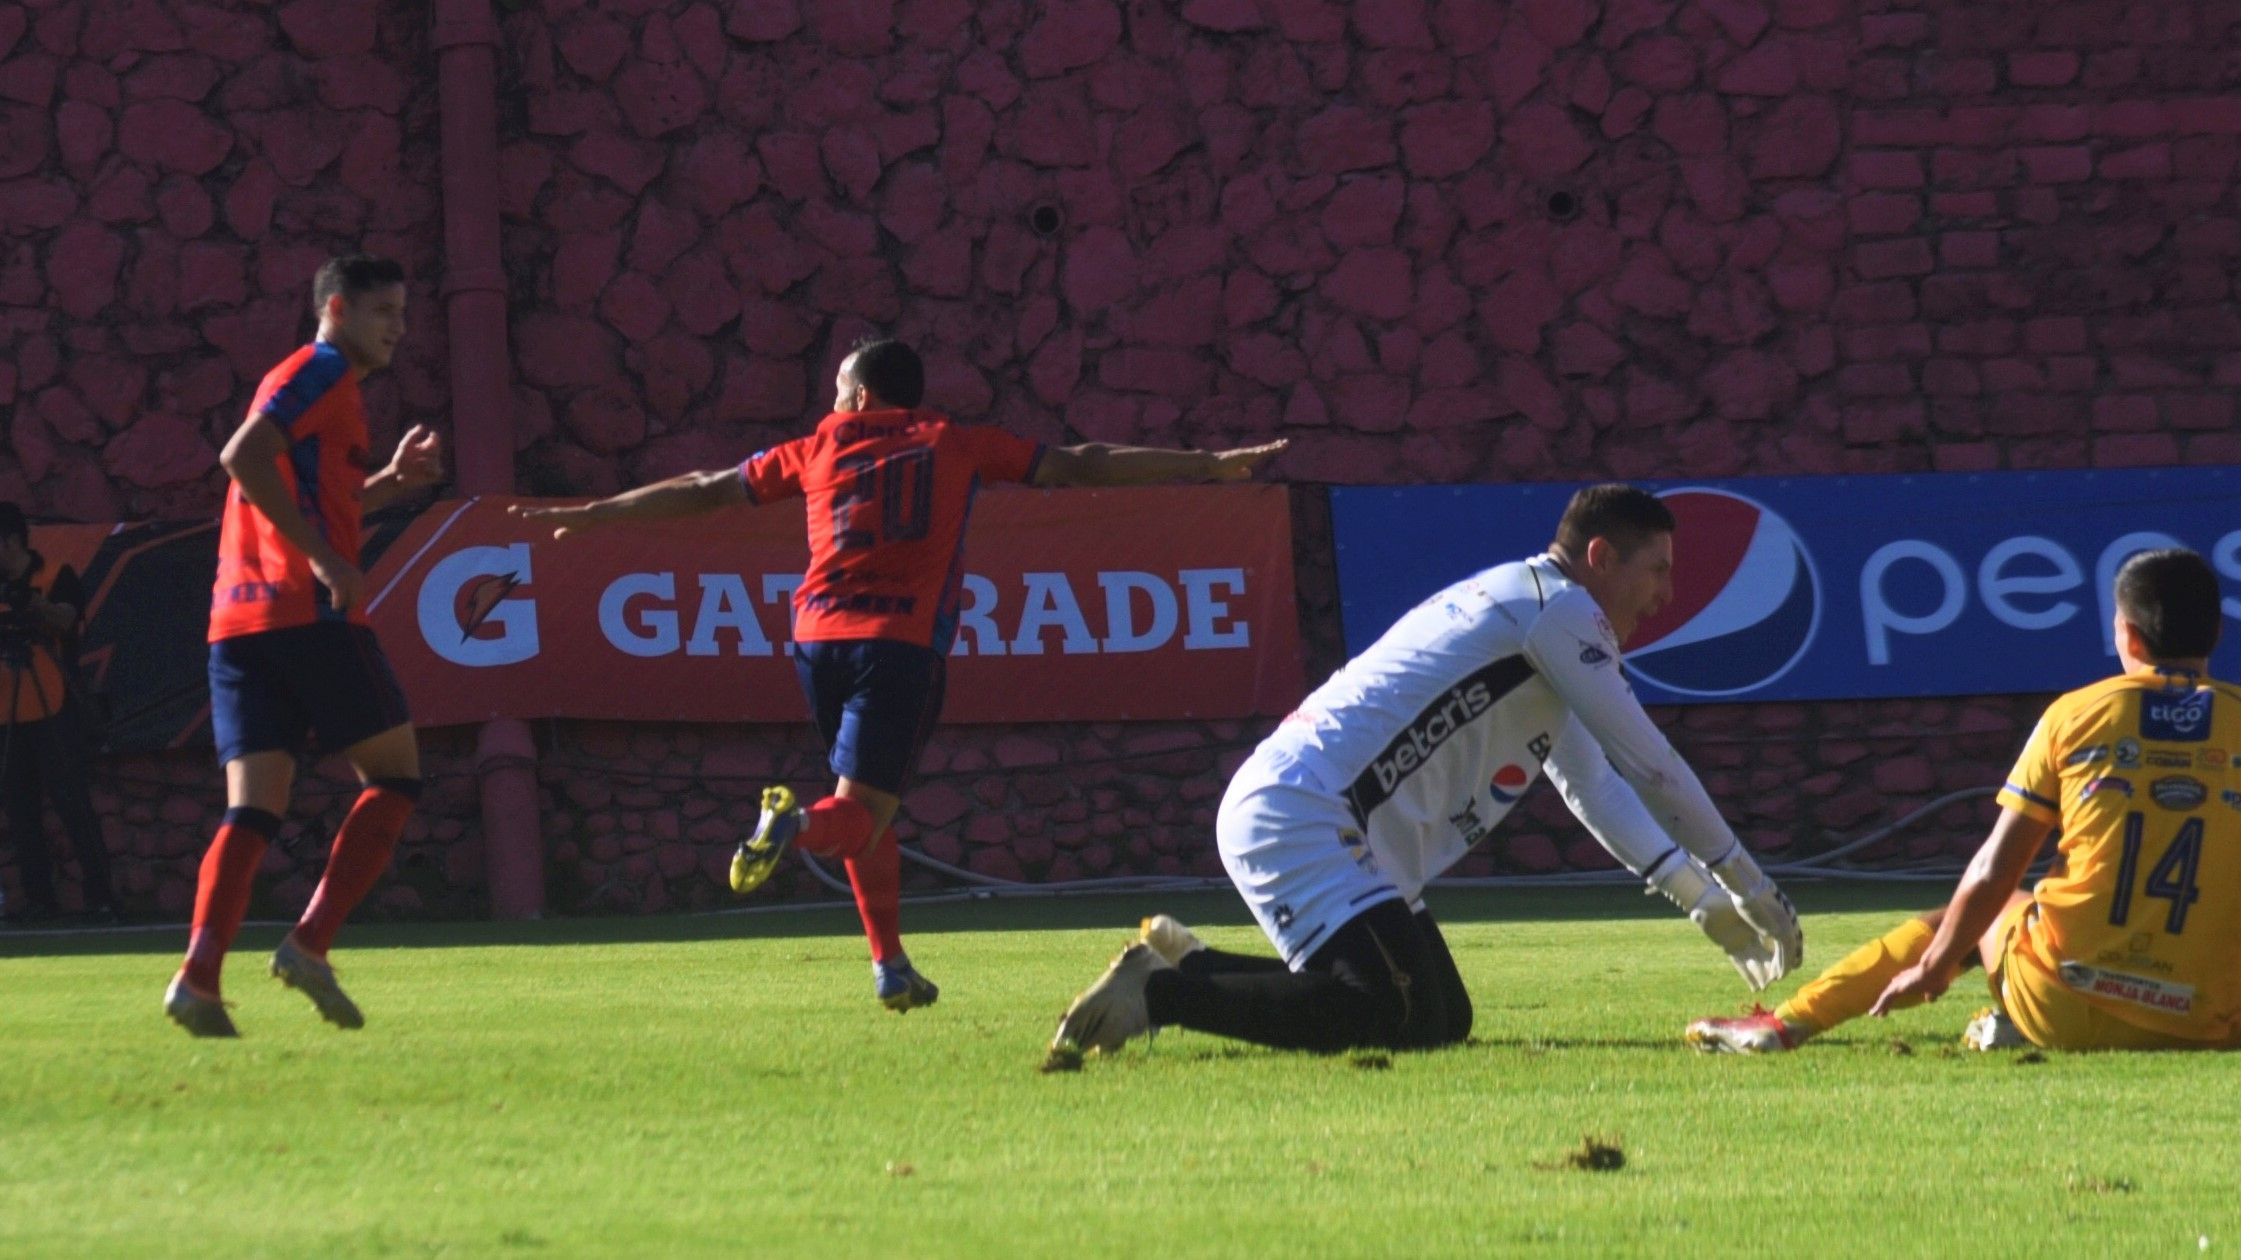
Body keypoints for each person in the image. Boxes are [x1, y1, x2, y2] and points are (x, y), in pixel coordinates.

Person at [515, 336, 1284, 1012]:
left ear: (857, 393)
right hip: (899, 646)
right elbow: (1082, 461)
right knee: (850, 814)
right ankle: (794, 825)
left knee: (867, 810)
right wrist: (1207, 467)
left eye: (838, 387)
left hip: (815, 642)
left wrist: (598, 514)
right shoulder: (954, 442)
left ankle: (889, 965)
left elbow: (703, 488)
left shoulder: (817, 447)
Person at [1047, 484, 1804, 1061]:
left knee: (1442, 1020)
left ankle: (1191, 962)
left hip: (1327, 818)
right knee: (1387, 1013)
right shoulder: (1557, 611)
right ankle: (1162, 995)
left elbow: (1592, 784)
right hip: (1303, 812)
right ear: (1600, 556)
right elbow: (1652, 767)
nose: (1666, 596)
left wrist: (1700, 901)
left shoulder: (1542, 612)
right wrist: (1746, 883)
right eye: (1656, 571)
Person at [1689, 548, 2241, 1055]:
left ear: (2129, 636)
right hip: (2205, 1023)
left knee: (1991, 908)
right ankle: (2010, 1023)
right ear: (2216, 632)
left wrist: (1934, 967)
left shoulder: (2075, 715)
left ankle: (1788, 1022)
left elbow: (1994, 869)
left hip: (2065, 1007)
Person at [164, 254, 444, 1038]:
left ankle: (198, 978)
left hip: (238, 622)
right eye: (382, 311)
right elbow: (242, 455)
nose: (397, 327)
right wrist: (322, 559)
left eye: (401, 312)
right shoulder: (319, 369)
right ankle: (310, 944)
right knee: (395, 776)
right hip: (306, 614)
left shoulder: (329, 392)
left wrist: (389, 480)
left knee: (253, 808)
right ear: (335, 311)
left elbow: (310, 490)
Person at [0, 503, 118, 925]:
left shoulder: (56, 575)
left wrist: (28, 604)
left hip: (55, 707)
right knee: (19, 810)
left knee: (73, 804)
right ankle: (39, 901)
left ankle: (102, 899)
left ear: (11, 542)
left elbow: (68, 622)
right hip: (6, 717)